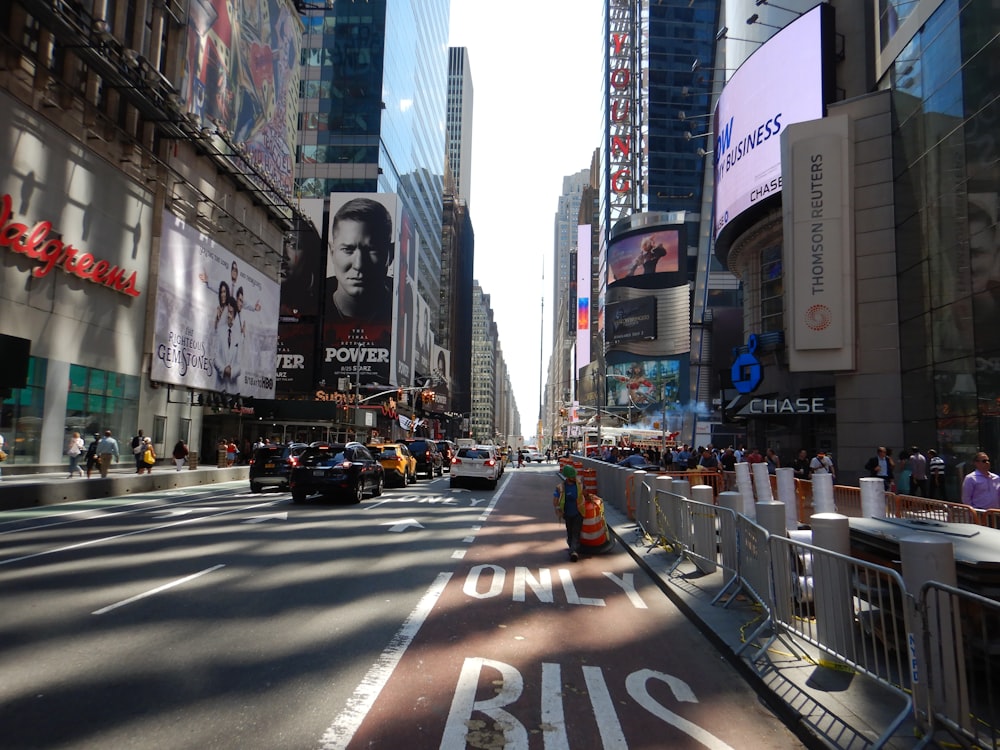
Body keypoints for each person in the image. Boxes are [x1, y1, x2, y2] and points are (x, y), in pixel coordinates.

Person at [326, 197, 395, 322]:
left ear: (390, 254)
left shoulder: (402, 306)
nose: (359, 264)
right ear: (332, 252)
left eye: (372, 250)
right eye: (348, 249)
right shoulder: (308, 301)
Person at [553, 464, 591, 562]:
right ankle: (572, 547)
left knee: (576, 531)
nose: (575, 478)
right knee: (569, 531)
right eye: (572, 476)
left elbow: (586, 494)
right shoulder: (560, 487)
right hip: (567, 513)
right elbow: (555, 499)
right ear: (567, 477)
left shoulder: (580, 484)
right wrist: (557, 508)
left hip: (578, 512)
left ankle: (574, 551)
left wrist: (591, 499)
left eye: (575, 476)